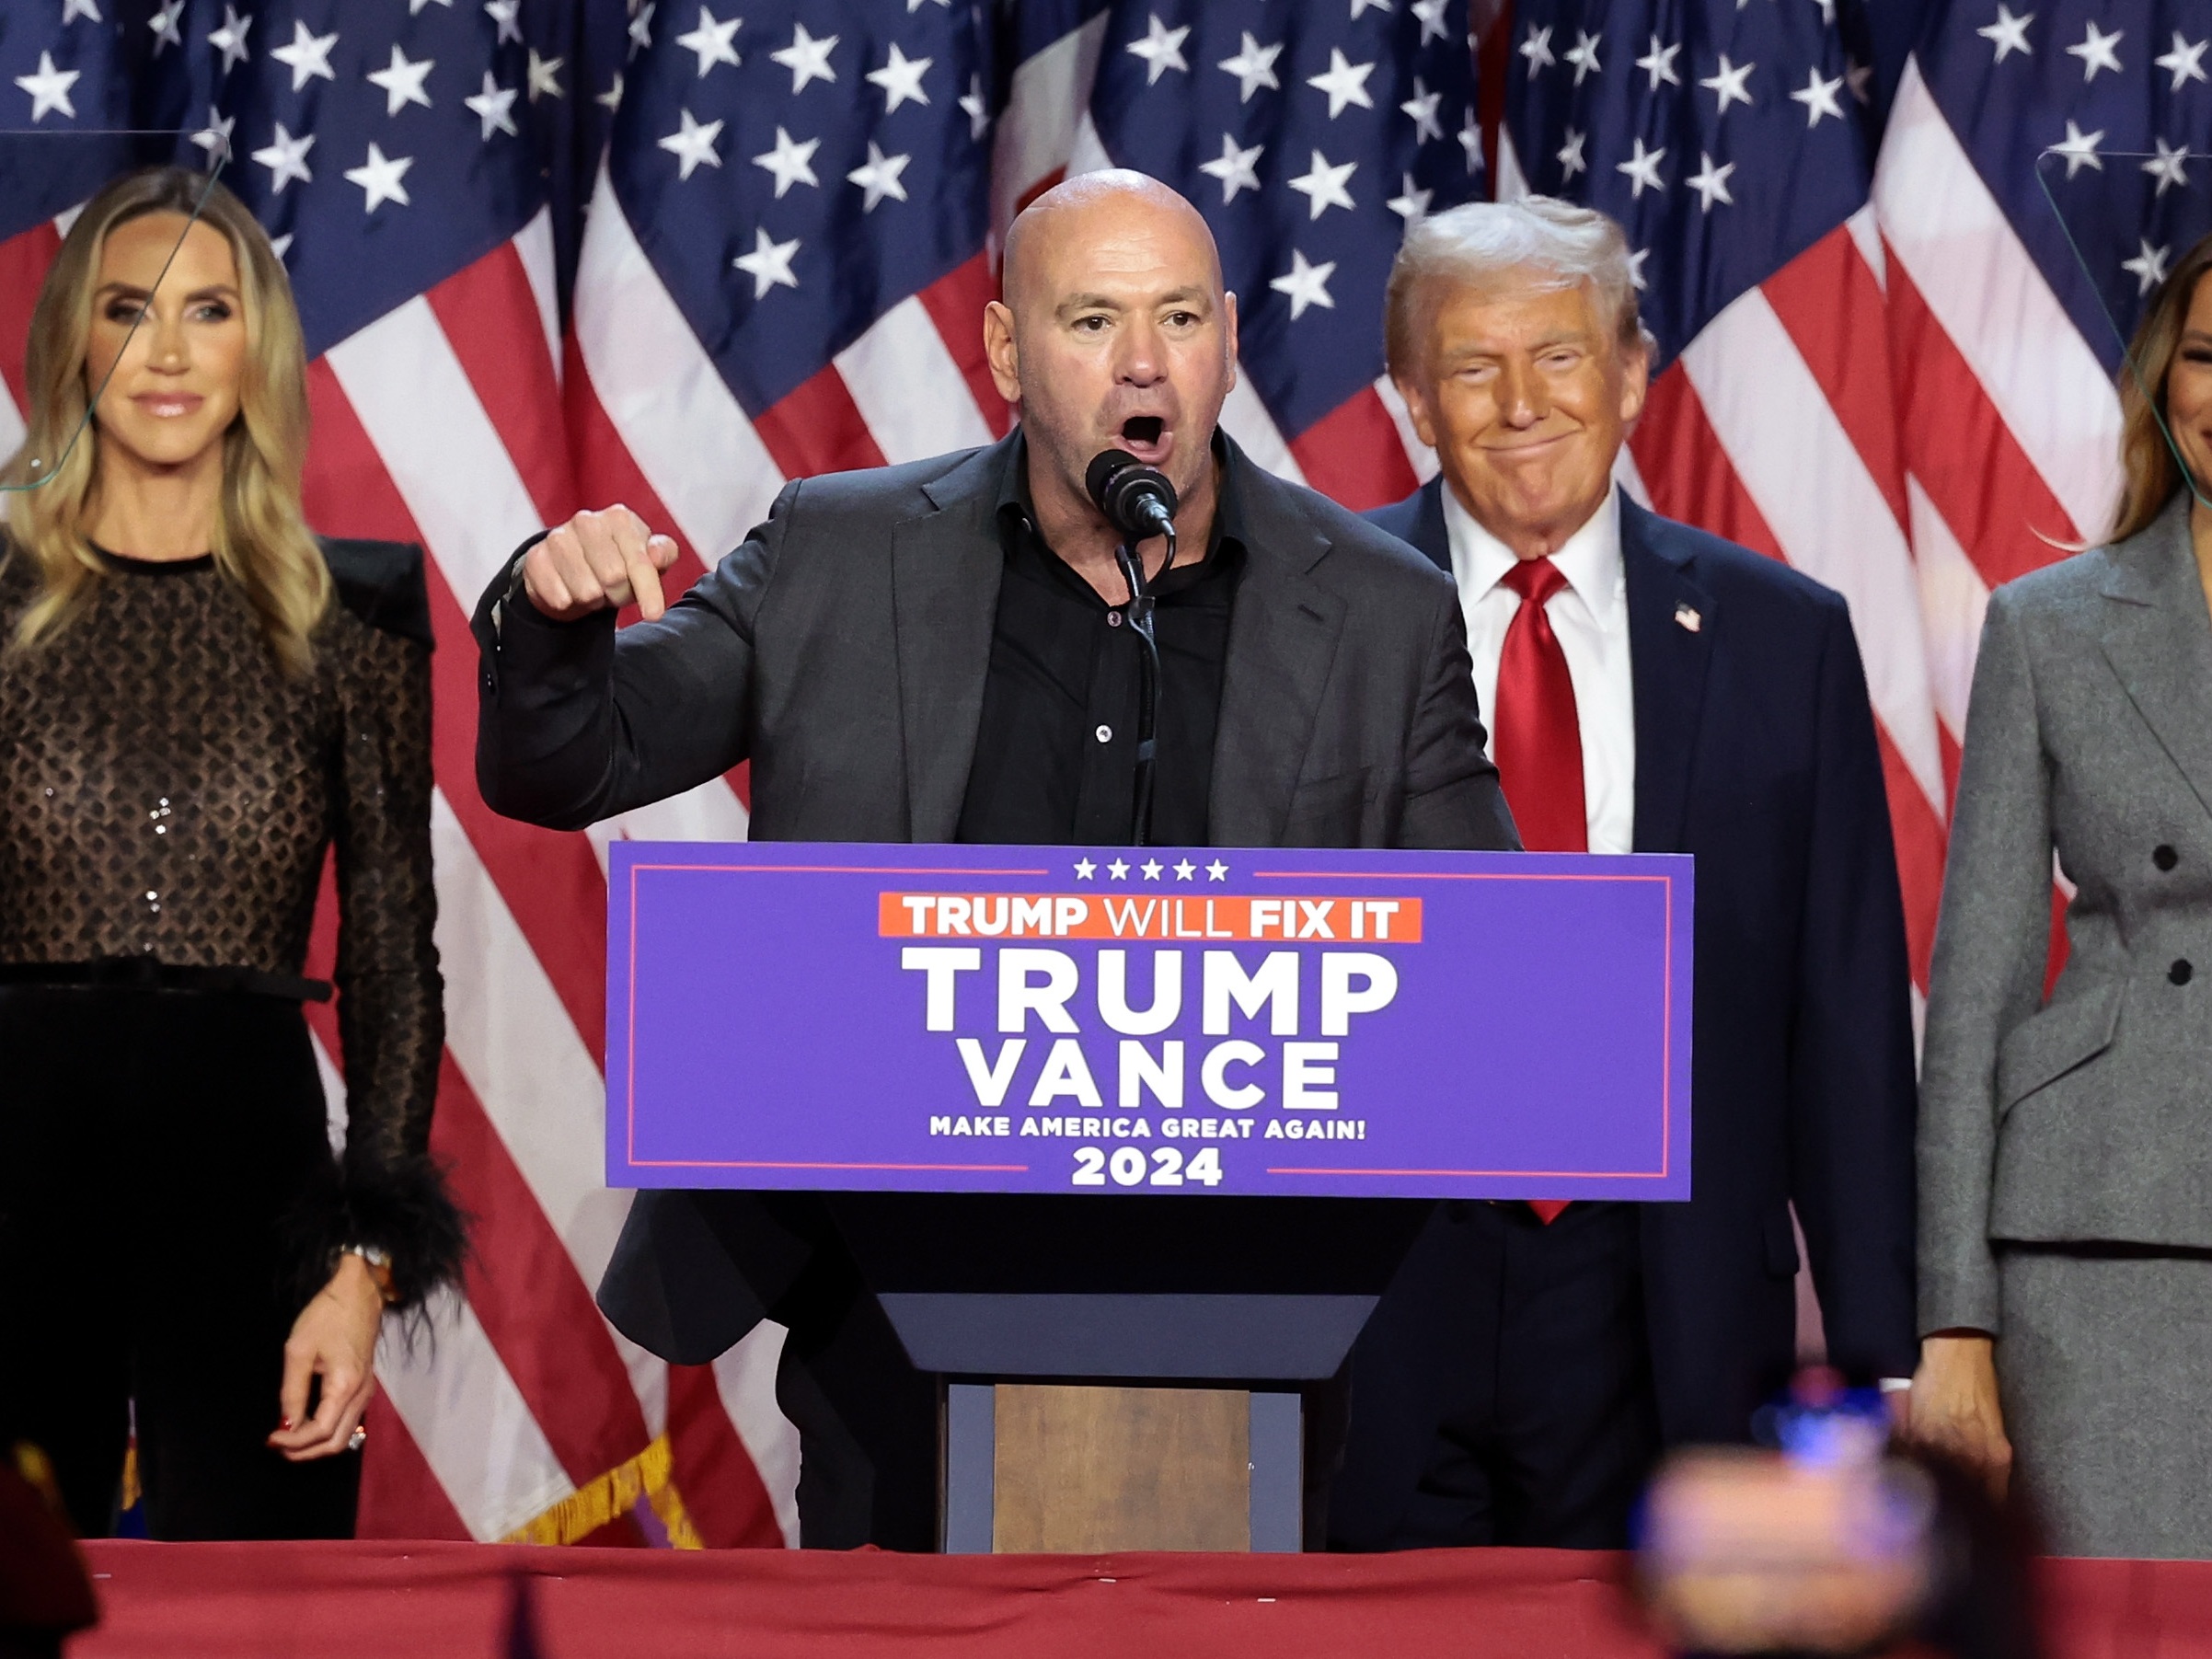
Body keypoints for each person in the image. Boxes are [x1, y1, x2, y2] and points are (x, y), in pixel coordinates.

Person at [473, 169, 1518, 1548]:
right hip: (886, 1297)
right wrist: (554, 619)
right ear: (1009, 353)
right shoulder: (840, 553)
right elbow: (573, 762)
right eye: (1092, 320)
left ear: (1227, 341)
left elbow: (1491, 975)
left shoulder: (1381, 611)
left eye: (1180, 318)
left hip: (1247, 1313)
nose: (1144, 361)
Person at [1329, 198, 1918, 1550]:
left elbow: (1843, 1023)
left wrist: (1883, 1352)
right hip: (1384, 1276)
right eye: (1472, 366)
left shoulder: (1783, 638)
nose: (1521, 403)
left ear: (1634, 373)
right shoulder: (1313, 613)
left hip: (1670, 1295)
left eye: (1561, 355)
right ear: (1413, 399)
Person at [0, 168, 462, 1539]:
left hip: (253, 1173)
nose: (165, 352)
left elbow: (392, 955)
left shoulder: (352, 617)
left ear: (257, 346)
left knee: (268, 1610)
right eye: (127, 310)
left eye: (207, 311)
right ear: (72, 341)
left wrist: (364, 1267)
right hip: (11, 1168)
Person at [1912, 234, 2212, 1558]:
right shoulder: (2050, 624)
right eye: (2206, 356)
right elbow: (1975, 992)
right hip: (2103, 1243)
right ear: (2163, 380)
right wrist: (1953, 1322)